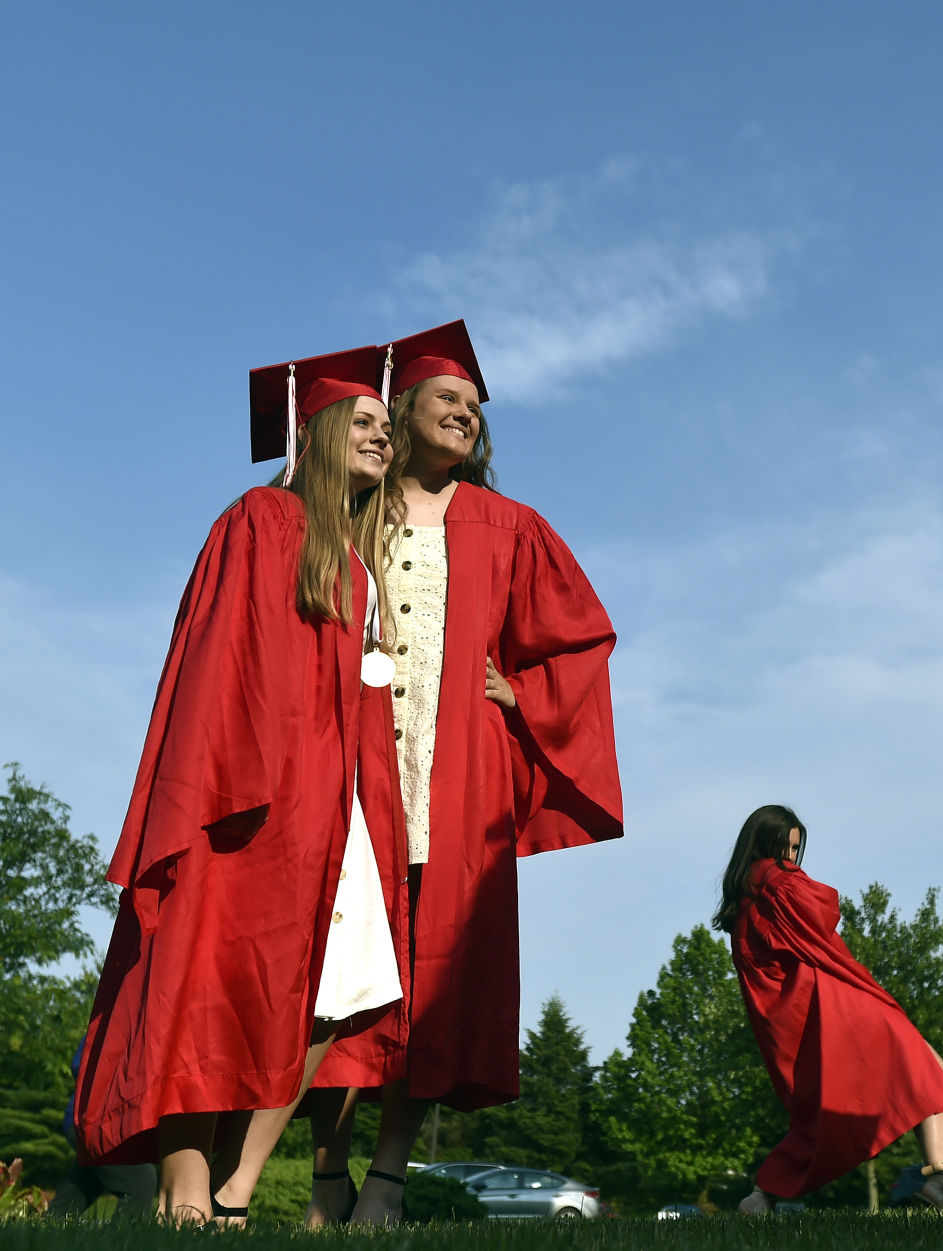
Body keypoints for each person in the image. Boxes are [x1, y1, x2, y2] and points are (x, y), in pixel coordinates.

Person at [73, 343, 405, 1225]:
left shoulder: (362, 569)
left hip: (336, 812)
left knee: (341, 990)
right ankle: (187, 1197)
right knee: (203, 973)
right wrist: (224, 792)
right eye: (365, 422)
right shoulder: (259, 519)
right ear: (322, 429)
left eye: (386, 426)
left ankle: (230, 1185)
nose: (383, 436)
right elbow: (217, 670)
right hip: (248, 797)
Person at [303, 320, 624, 1225]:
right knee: (340, 968)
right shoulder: (350, 507)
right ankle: (328, 1171)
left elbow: (582, 637)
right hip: (354, 764)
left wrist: (522, 695)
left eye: (476, 408)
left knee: (431, 974)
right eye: (449, 399)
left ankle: (389, 1177)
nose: (467, 415)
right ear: (401, 411)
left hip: (454, 780)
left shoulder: (510, 525)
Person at [715, 804, 943, 1213]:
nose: (792, 860)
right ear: (766, 845)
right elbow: (823, 908)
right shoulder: (776, 882)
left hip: (803, 1019)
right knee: (926, 1068)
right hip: (833, 1007)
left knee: (826, 1115)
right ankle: (939, 1179)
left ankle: (762, 1196)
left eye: (795, 850)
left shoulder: (745, 898)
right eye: (786, 848)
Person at [45, 1041, 157, 1220]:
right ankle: (126, 1240)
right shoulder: (118, 1017)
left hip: (97, 1122)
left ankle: (48, 1226)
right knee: (140, 1181)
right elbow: (86, 1065)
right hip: (94, 1121)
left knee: (83, 1186)